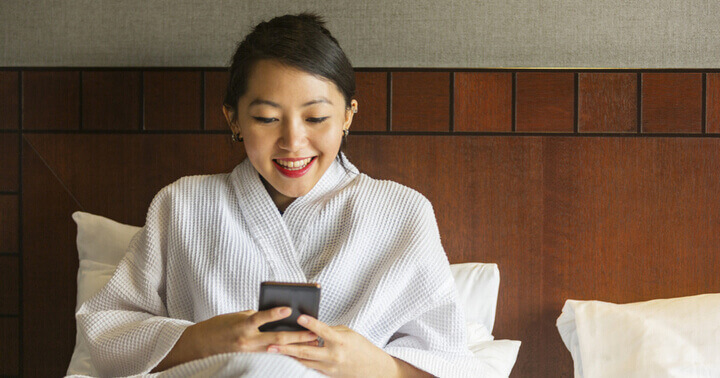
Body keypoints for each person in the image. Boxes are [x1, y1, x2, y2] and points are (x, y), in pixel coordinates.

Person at [77, 13, 490, 377]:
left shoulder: (402, 213)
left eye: (316, 117)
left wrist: (369, 365)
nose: (293, 141)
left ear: (348, 115)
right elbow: (108, 335)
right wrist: (206, 339)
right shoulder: (181, 205)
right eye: (266, 118)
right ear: (233, 118)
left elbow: (448, 361)